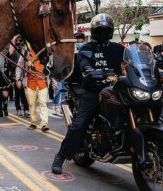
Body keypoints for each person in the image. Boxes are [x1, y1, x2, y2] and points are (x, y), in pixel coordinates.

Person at [52, 13, 125, 174]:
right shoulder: (87, 48)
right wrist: (88, 69)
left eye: (106, 30)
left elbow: (132, 61)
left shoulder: (119, 49)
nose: (103, 33)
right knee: (79, 124)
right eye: (100, 30)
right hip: (94, 91)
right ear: (93, 32)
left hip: (115, 90)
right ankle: (61, 156)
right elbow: (84, 62)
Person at [17, 47, 50, 132]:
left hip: (42, 82)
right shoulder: (26, 50)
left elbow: (51, 67)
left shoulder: (45, 50)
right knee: (31, 104)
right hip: (30, 83)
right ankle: (33, 122)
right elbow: (19, 65)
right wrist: (18, 79)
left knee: (43, 103)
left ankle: (44, 124)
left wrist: (54, 82)